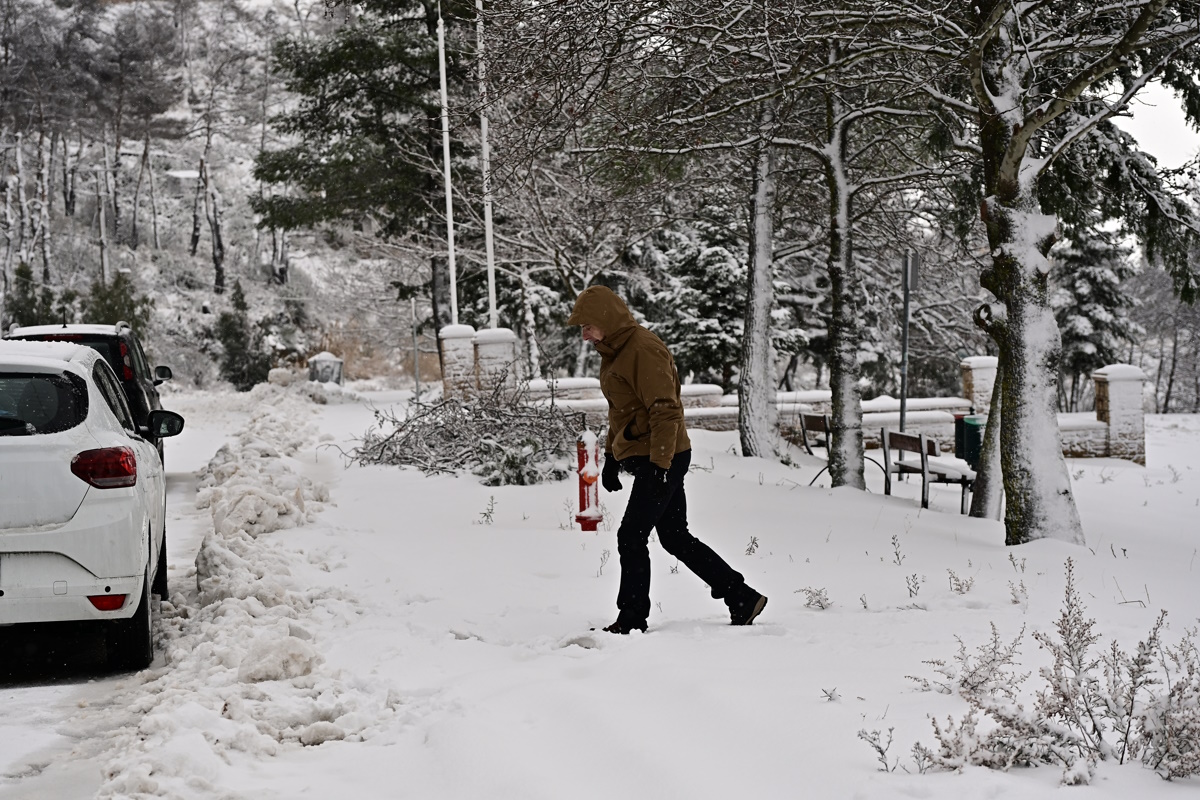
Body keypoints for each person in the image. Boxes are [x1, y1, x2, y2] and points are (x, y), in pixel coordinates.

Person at [567, 285, 768, 633]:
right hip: (650, 456)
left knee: (631, 536)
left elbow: (666, 411)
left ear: (605, 319)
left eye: (587, 326)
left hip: (663, 456)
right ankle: (741, 595)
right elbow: (622, 410)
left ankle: (632, 618)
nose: (584, 335)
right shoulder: (613, 352)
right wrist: (613, 455)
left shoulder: (643, 350)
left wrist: (660, 467)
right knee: (674, 536)